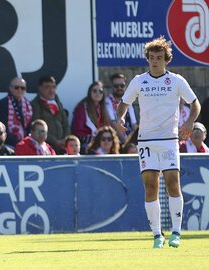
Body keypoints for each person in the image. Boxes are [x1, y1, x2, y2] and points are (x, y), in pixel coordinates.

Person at [116, 37, 201, 248]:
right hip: (146, 141)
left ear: (166, 60)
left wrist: (190, 121)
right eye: (151, 58)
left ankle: (176, 233)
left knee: (173, 183)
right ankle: (156, 235)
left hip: (170, 140)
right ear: (148, 59)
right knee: (151, 186)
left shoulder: (176, 81)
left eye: (159, 58)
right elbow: (124, 103)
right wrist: (120, 118)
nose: (155, 61)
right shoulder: (138, 81)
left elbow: (195, 104)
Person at [31, 75, 70, 154]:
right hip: (45, 147)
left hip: (63, 147)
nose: (51, 90)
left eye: (53, 87)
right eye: (47, 87)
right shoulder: (35, 105)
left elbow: (66, 124)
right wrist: (56, 142)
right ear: (40, 88)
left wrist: (65, 140)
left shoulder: (58, 103)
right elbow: (37, 127)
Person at [71, 81, 111, 153]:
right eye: (94, 91)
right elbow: (78, 132)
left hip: (100, 142)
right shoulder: (82, 109)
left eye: (100, 91)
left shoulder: (102, 109)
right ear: (90, 93)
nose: (98, 93)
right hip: (85, 143)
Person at [0, 77, 33, 146]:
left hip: (25, 143)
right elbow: (2, 128)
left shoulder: (29, 105)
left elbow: (30, 128)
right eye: (16, 87)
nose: (20, 90)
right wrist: (17, 143)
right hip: (8, 143)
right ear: (10, 88)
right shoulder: (2, 104)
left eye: (22, 88)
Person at [105, 73, 138, 143]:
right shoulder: (108, 101)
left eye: (122, 85)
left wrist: (135, 140)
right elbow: (113, 124)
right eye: (116, 86)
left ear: (125, 86)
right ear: (112, 87)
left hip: (129, 140)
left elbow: (134, 124)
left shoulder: (128, 100)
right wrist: (125, 143)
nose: (119, 88)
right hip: (115, 141)